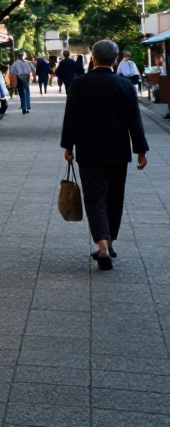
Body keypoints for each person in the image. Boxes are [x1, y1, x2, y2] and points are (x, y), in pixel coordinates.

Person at [60, 39, 148, 270]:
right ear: (116, 59)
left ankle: (102, 243)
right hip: (118, 152)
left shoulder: (80, 84)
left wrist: (68, 146)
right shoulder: (125, 85)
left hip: (89, 151)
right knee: (115, 197)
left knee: (95, 197)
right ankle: (108, 242)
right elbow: (134, 121)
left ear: (93, 58)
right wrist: (141, 150)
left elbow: (71, 118)